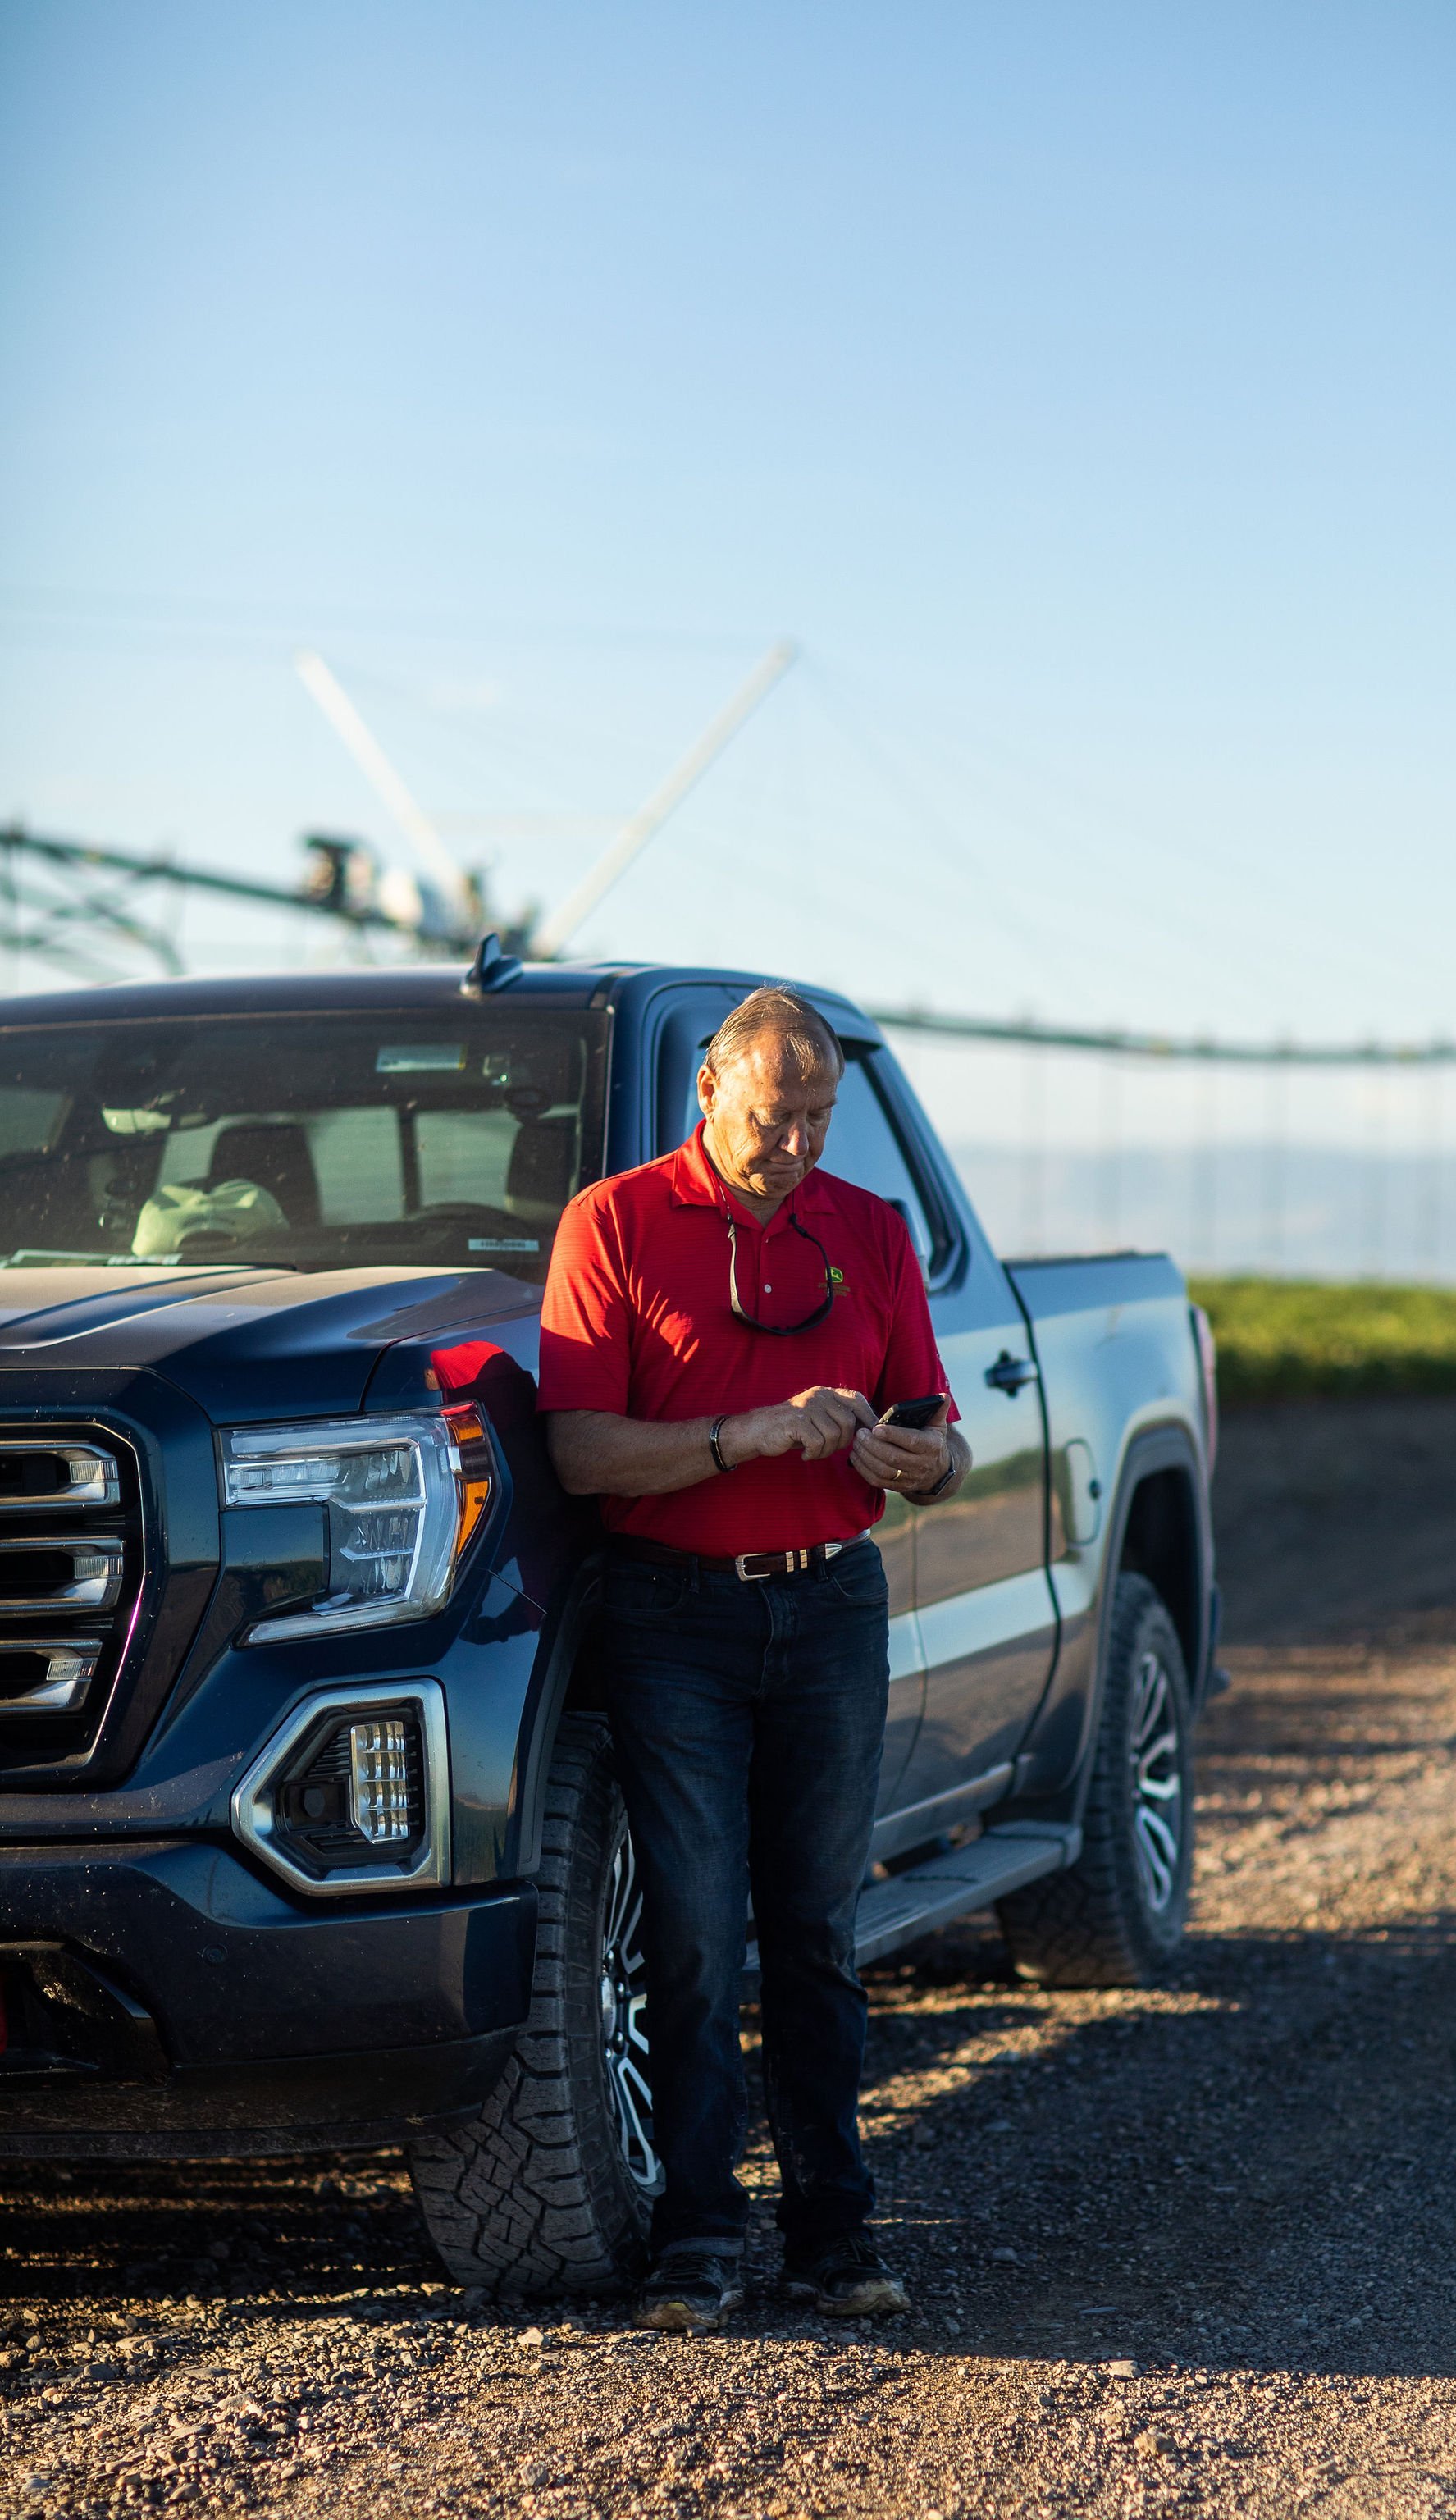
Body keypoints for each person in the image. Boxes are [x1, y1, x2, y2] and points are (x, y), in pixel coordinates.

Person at [539, 984, 972, 2334]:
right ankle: (698, 2238)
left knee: (816, 1934)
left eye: (821, 1118)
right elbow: (581, 1452)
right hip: (674, 1619)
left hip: (832, 1607)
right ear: (710, 1094)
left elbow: (940, 1437)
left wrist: (924, 1461)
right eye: (775, 1116)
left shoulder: (873, 1232)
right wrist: (749, 1434)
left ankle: (835, 2235)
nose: (798, 1143)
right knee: (690, 1932)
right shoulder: (612, 1224)